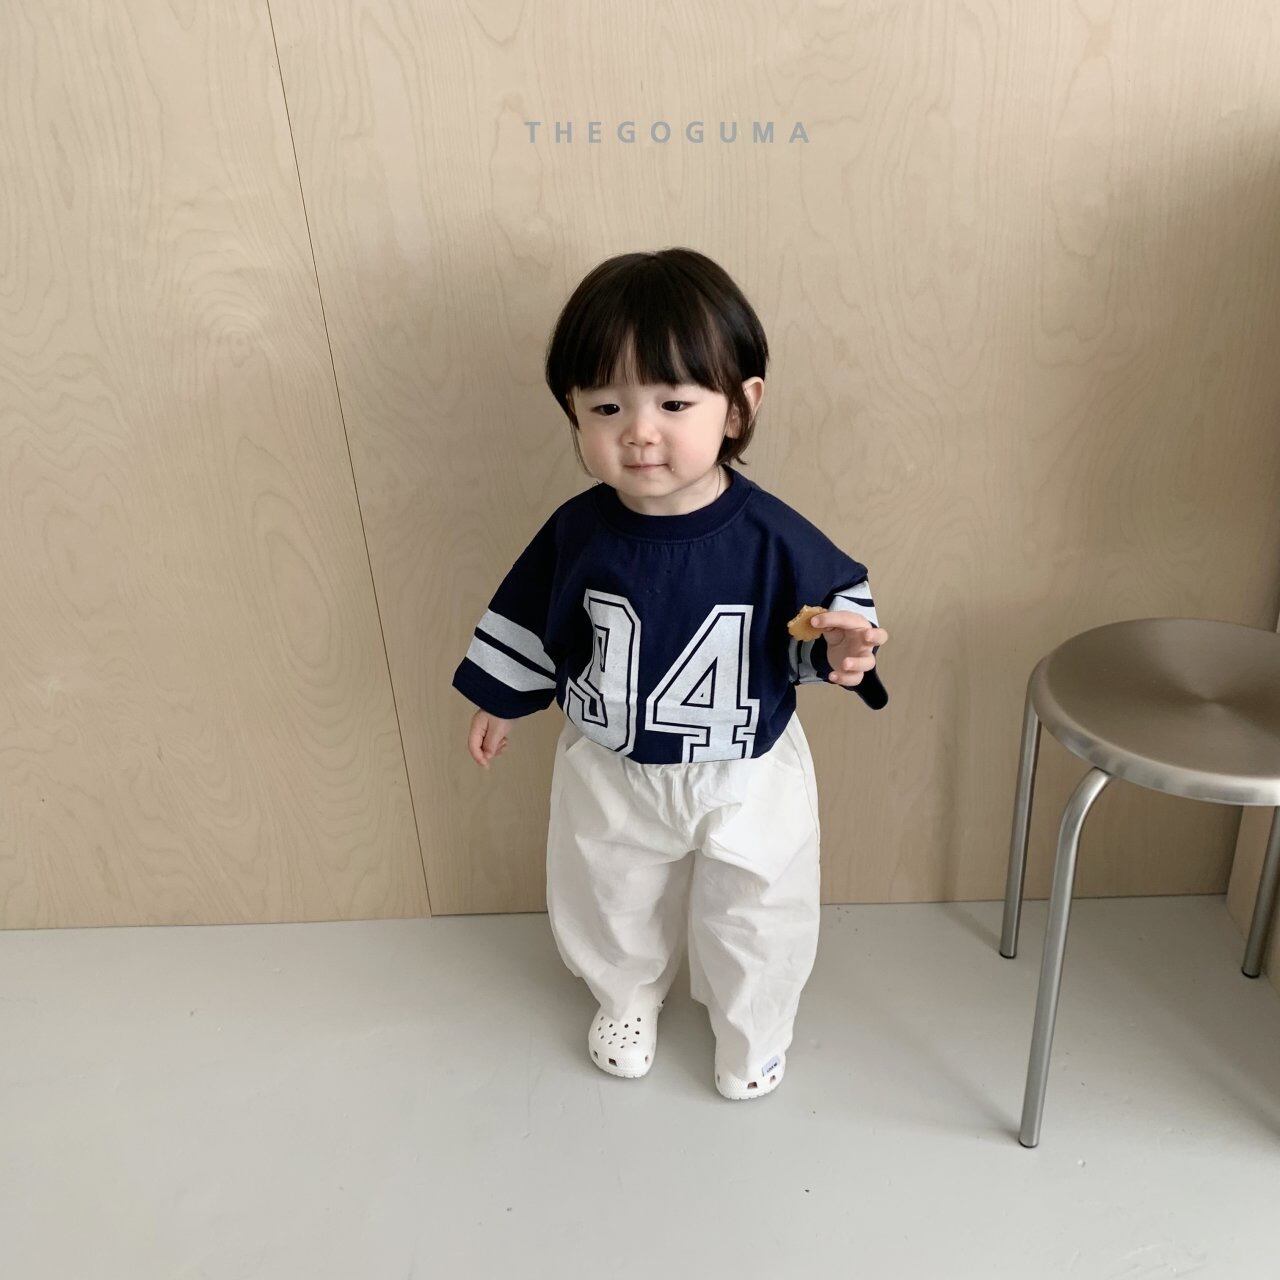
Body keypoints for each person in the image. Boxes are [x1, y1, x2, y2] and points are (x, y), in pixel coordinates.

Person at [451, 248, 889, 1100]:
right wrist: (501, 699)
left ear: (740, 405)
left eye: (674, 403)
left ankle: (754, 1027)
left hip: (746, 767)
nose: (639, 430)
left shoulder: (771, 536)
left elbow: (829, 621)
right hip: (613, 761)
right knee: (607, 889)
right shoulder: (578, 533)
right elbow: (533, 615)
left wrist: (843, 651)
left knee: (760, 907)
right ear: (574, 413)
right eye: (606, 406)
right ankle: (625, 997)